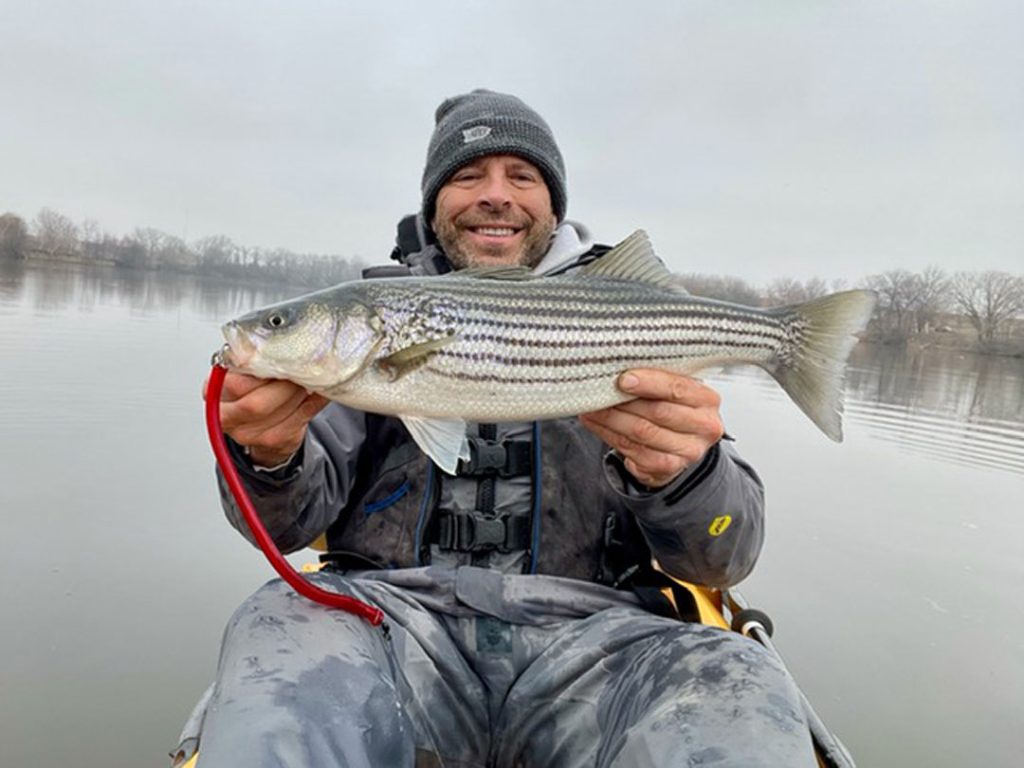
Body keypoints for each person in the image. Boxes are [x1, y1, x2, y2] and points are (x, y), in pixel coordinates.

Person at [180, 89, 817, 767]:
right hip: (388, 630)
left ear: (554, 205)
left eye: (523, 176)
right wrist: (267, 457)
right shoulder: (371, 325)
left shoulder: (627, 323)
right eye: (466, 175)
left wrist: (686, 475)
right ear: (434, 204)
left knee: (734, 680)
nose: (495, 195)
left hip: (605, 642)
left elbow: (722, 560)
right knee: (274, 627)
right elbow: (276, 531)